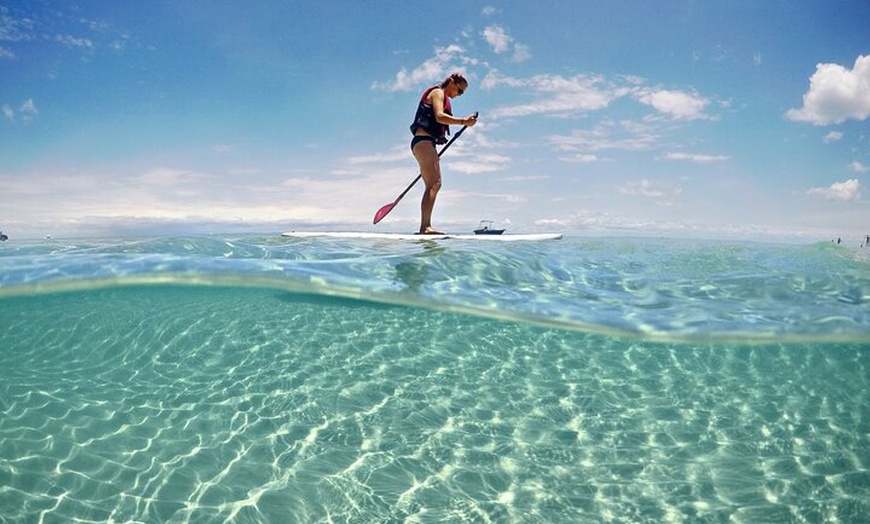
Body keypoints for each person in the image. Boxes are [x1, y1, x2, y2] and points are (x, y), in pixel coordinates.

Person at [409, 72, 477, 234]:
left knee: (433, 184)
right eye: (459, 91)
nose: (459, 95)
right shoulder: (438, 92)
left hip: (425, 142)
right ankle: (425, 227)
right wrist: (463, 122)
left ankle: (425, 226)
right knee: (434, 184)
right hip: (423, 142)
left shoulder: (439, 94)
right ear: (452, 82)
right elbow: (439, 117)